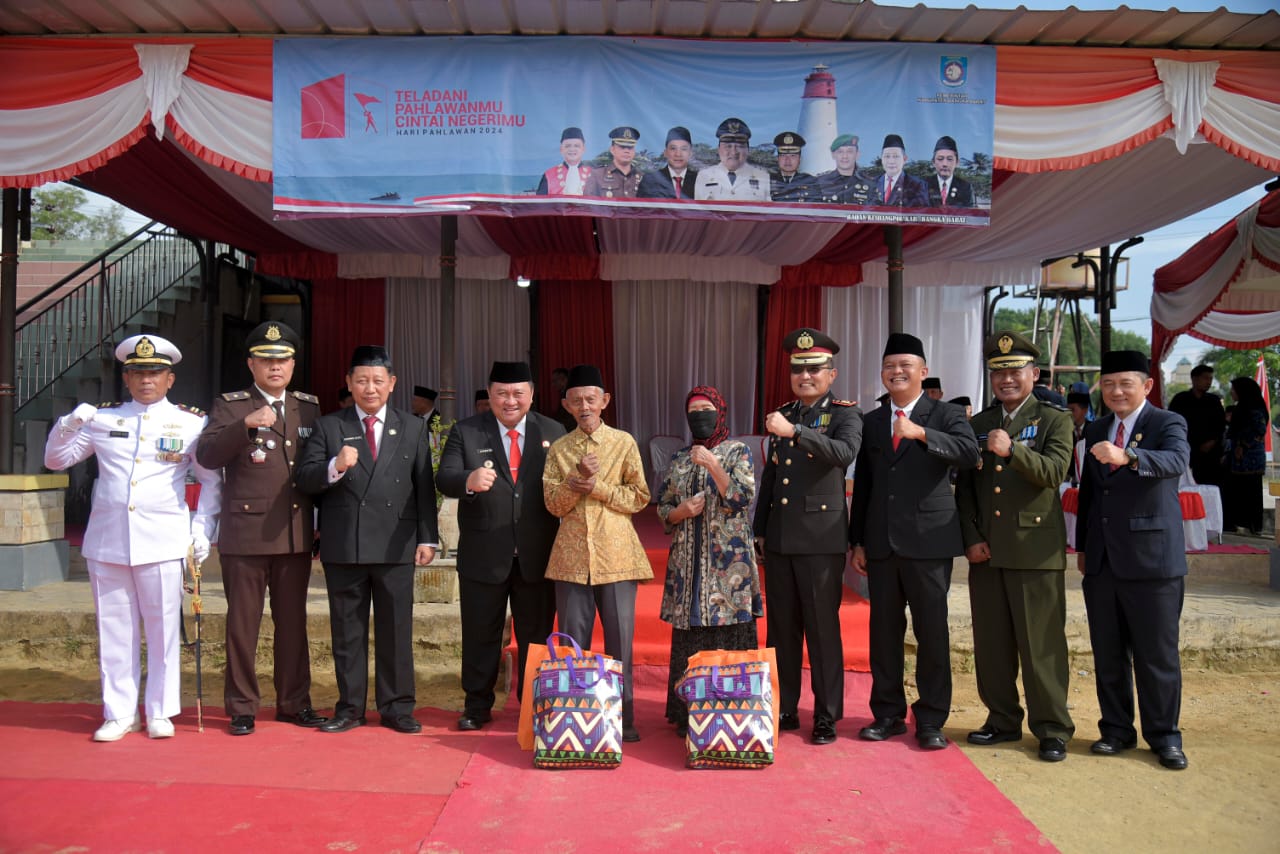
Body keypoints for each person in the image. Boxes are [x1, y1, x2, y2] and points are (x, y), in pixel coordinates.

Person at [44, 334, 222, 741]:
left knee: (163, 629)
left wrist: (201, 529)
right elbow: (56, 460)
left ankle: (160, 710)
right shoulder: (103, 419)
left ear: (170, 379)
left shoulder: (191, 422)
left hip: (162, 538)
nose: (147, 380)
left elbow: (212, 482)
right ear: (127, 378)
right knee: (114, 628)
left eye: (155, 373)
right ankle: (119, 711)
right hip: (109, 539)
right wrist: (70, 423)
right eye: (138, 372)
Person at [295, 345, 439, 734]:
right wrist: (334, 466)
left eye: (377, 380)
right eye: (361, 380)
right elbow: (305, 479)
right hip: (346, 544)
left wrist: (429, 538)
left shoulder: (412, 426)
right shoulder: (329, 426)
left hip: (396, 542)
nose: (369, 388)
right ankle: (350, 708)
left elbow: (423, 486)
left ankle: (397, 707)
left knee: (396, 630)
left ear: (391, 384)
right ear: (348, 383)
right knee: (347, 630)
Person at [849, 332, 979, 751]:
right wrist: (859, 541)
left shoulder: (946, 414)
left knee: (931, 633)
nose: (897, 372)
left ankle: (931, 718)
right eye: (889, 366)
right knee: (883, 632)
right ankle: (886, 714)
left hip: (929, 543)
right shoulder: (871, 421)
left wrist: (921, 433)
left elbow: (968, 454)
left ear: (923, 372)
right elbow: (865, 485)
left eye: (905, 366)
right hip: (882, 544)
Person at [196, 321, 327, 736]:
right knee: (242, 625)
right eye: (267, 360)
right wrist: (246, 425)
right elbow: (208, 454)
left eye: (283, 359)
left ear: (292, 364)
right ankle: (241, 706)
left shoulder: (308, 406)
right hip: (246, 535)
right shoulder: (230, 405)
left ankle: (294, 701)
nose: (276, 367)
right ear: (251, 364)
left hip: (293, 532)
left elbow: (312, 469)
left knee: (293, 625)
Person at [956, 331, 1075, 763]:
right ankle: (1002, 719)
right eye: (998, 371)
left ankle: (1052, 728)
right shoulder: (978, 423)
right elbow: (965, 490)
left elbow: (1055, 470)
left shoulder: (1054, 419)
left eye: (1014, 370)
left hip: (1034, 550)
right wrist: (971, 537)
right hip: (988, 552)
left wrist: (1012, 453)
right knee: (992, 644)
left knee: (1040, 644)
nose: (1006, 378)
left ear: (1034, 373)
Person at [1076, 350, 1190, 770]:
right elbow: (1090, 491)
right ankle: (1116, 730)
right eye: (1108, 384)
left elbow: (1177, 460)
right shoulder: (1096, 428)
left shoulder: (1167, 423)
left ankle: (1165, 736)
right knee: (1107, 652)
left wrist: (1131, 456)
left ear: (1146, 386)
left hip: (1153, 562)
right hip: (1103, 561)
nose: (1117, 391)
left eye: (1126, 383)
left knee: (1156, 655)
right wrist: (1085, 547)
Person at [436, 361, 566, 731]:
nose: (509, 401)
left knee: (535, 636)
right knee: (481, 633)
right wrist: (468, 479)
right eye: (501, 394)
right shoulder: (467, 431)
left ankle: (533, 706)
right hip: (483, 553)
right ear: (489, 395)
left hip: (536, 555)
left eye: (517, 393)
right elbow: (444, 478)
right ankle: (477, 705)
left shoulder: (553, 431)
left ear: (531, 395)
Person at [753, 328, 862, 745]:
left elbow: (843, 454)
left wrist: (795, 433)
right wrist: (760, 528)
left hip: (820, 539)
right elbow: (771, 478)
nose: (805, 375)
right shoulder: (785, 412)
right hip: (780, 539)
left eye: (814, 368)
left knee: (821, 629)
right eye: (798, 369)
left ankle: (826, 714)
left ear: (831, 374)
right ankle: (782, 706)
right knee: (781, 629)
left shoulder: (845, 414)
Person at [543, 365, 651, 742]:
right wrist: (574, 484)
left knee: (620, 641)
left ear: (605, 401)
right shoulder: (559, 449)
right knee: (573, 644)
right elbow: (553, 505)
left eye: (591, 399)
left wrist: (599, 487)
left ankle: (623, 720)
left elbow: (639, 497)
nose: (584, 406)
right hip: (571, 560)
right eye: (576, 400)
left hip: (617, 555)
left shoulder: (623, 443)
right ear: (566, 405)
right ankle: (577, 717)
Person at [657, 386, 762, 735]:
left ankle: (731, 709)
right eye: (693, 409)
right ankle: (689, 712)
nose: (700, 415)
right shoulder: (679, 458)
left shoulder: (737, 452)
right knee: (692, 631)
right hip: (688, 564)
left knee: (730, 630)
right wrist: (679, 513)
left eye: (706, 408)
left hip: (728, 565)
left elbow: (741, 499)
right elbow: (662, 506)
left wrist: (715, 466)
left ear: (720, 411)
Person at [1221, 375, 1268, 535]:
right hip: (1238, 458)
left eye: (1234, 389)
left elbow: (1259, 430)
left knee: (1251, 491)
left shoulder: (1255, 408)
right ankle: (1239, 523)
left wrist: (1242, 445)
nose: (1232, 392)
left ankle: (1253, 525)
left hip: (1251, 458)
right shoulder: (1241, 407)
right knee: (1238, 490)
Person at [1168, 365, 1225, 487]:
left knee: (1210, 486)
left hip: (1210, 453)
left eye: (1210, 379)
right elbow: (1172, 424)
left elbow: (1221, 425)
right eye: (1205, 378)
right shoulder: (1180, 399)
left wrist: (1213, 441)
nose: (1208, 382)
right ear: (1194, 379)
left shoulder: (1214, 401)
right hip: (1186, 451)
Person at [694, 118, 770, 202]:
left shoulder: (763, 177)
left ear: (748, 150)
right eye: (728, 146)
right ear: (719, 149)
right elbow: (699, 213)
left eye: (739, 146)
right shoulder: (704, 176)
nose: (733, 152)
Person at [637, 127, 698, 200]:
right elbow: (640, 209)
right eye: (673, 148)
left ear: (690, 153)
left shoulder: (699, 180)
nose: (678, 154)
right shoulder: (650, 180)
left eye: (684, 149)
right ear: (665, 152)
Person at [583, 126, 643, 199]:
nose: (626, 151)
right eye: (622, 147)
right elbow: (587, 206)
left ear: (634, 151)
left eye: (630, 147)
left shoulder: (642, 177)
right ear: (612, 149)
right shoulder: (597, 175)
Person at [815, 134, 874, 205]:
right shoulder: (819, 183)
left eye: (850, 152)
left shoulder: (870, 185)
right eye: (840, 152)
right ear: (833, 155)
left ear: (857, 154)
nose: (845, 156)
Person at [875, 134, 928, 207]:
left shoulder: (917, 185)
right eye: (887, 156)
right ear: (882, 159)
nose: (891, 161)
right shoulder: (872, 183)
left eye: (896, 156)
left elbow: (922, 213)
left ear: (904, 159)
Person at [536, 127, 592, 196]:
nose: (572, 149)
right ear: (561, 149)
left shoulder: (594, 175)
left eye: (576, 146)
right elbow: (540, 205)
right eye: (568, 146)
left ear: (583, 149)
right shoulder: (549, 175)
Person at [927, 136, 975, 207]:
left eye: (949, 159)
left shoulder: (965, 187)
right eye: (940, 159)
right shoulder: (923, 186)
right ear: (933, 162)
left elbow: (969, 214)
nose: (945, 164)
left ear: (957, 162)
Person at [769, 131, 817, 202]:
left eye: (793, 156)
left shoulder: (810, 182)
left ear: (800, 159)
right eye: (783, 155)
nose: (788, 160)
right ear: (777, 158)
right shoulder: (767, 181)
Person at [1065, 391, 1091, 486]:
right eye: (1067, 410)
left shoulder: (1093, 430)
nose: (1069, 414)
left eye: (1072, 410)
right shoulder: (1064, 430)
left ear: (1085, 410)